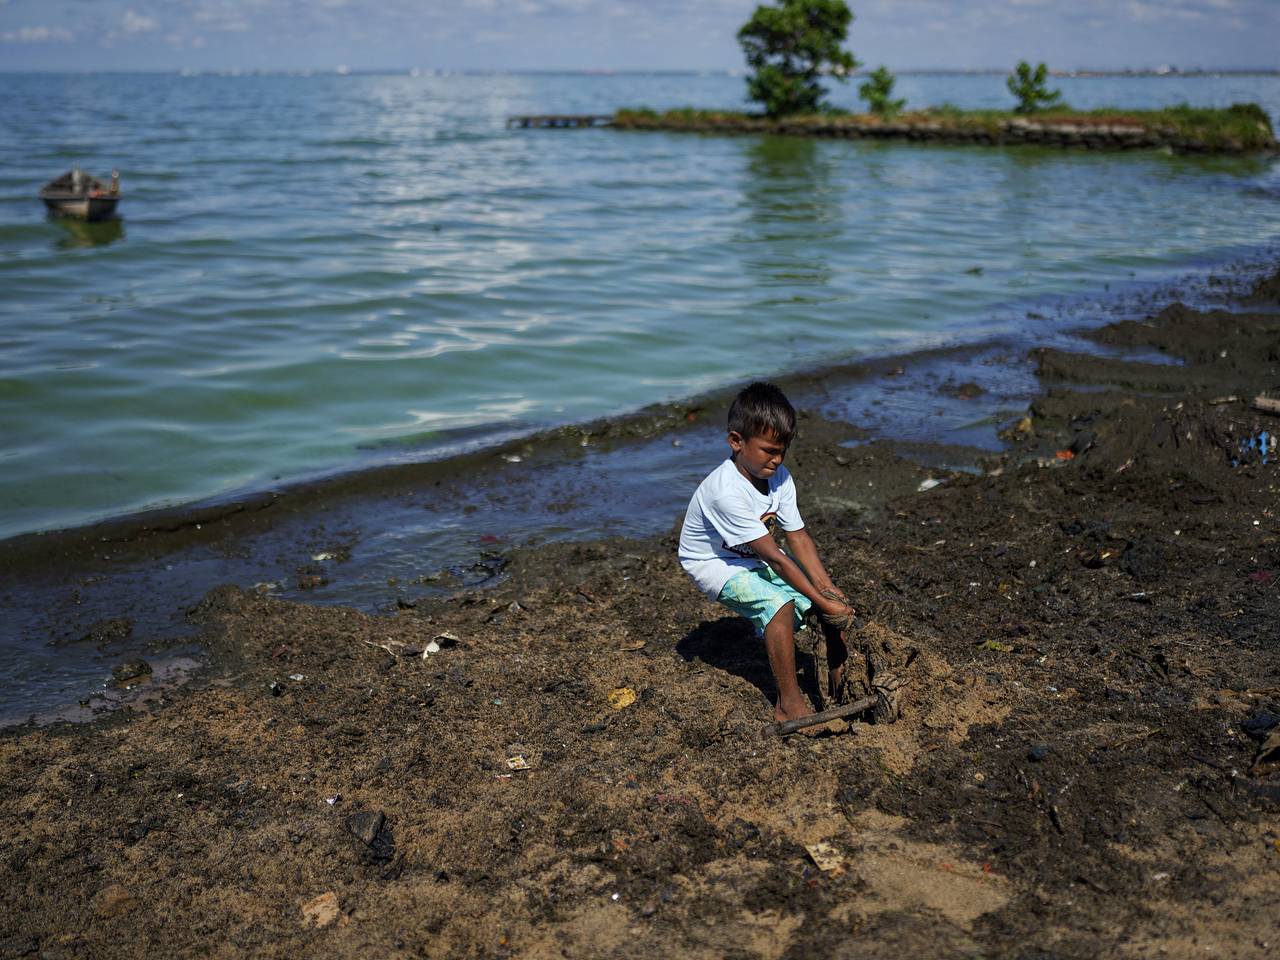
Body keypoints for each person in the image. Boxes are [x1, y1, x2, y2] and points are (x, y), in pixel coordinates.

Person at [678, 381, 855, 723]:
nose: (777, 460)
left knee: (826, 598)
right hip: (714, 561)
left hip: (750, 553)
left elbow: (798, 537)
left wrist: (826, 590)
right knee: (779, 605)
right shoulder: (725, 492)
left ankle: (840, 680)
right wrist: (821, 601)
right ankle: (788, 704)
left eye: (782, 451)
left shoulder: (780, 477)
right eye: (769, 450)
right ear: (736, 442)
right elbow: (776, 556)